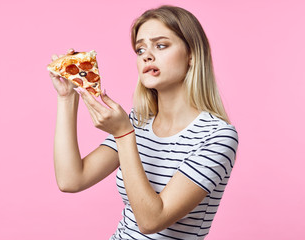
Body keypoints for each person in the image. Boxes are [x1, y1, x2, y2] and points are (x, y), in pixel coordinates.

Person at [49, 5, 239, 240]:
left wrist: (123, 135)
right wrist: (67, 97)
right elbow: (71, 180)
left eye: (161, 45)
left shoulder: (218, 136)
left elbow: (152, 221)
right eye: (140, 50)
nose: (147, 55)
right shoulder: (138, 122)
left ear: (191, 54)